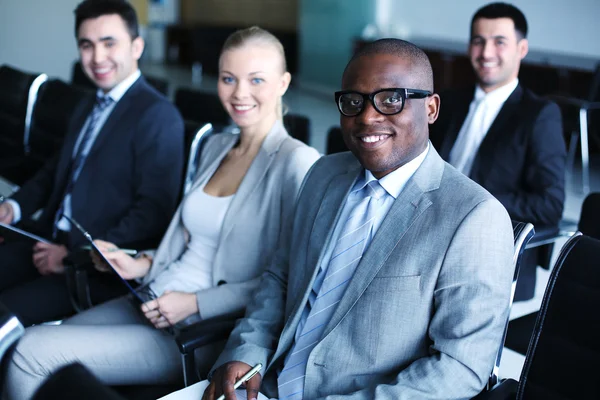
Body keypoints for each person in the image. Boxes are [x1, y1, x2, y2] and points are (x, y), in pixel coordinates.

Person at [159, 38, 515, 400]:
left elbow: (460, 367)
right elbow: (280, 279)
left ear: (431, 108)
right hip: (263, 386)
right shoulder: (324, 175)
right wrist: (245, 352)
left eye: (391, 99)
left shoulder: (474, 217)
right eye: (353, 102)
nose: (368, 117)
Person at [3, 26, 320, 400]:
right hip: (151, 296)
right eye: (228, 78)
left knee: (29, 355)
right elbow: (193, 243)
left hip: (198, 328)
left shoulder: (296, 162)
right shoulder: (217, 145)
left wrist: (195, 303)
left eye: (256, 80)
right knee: (31, 338)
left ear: (283, 83)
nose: (239, 93)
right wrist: (138, 262)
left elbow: (284, 281)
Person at [0, 0, 185, 326]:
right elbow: (54, 171)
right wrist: (12, 208)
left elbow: (151, 214)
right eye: (87, 45)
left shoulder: (157, 116)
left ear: (137, 46)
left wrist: (75, 257)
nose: (97, 57)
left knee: (4, 315)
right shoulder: (89, 101)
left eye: (109, 43)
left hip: (93, 270)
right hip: (46, 242)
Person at [429, 2, 566, 301]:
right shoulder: (449, 101)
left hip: (489, 247)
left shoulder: (539, 114)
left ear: (522, 48)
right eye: (478, 41)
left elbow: (550, 204)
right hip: (433, 232)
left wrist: (472, 202)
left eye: (499, 42)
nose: (486, 52)